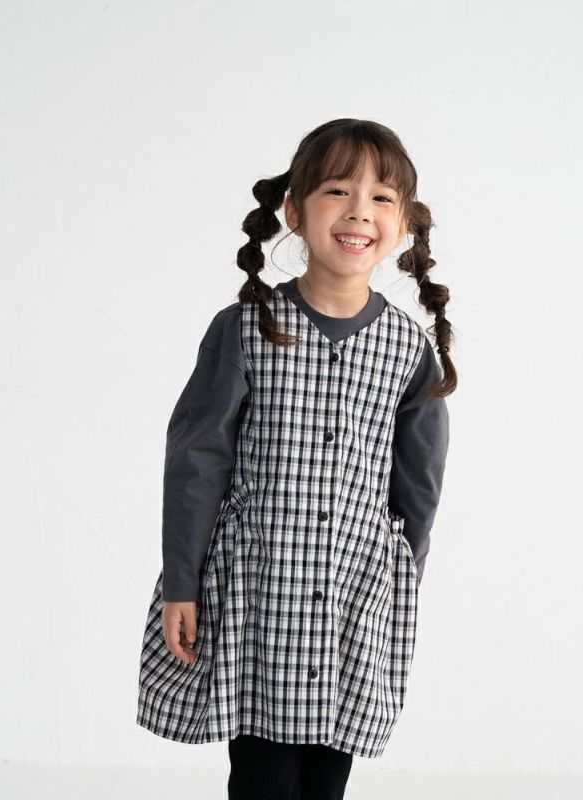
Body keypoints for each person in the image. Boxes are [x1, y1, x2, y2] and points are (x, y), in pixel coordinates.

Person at [136, 118, 455, 799]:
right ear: (295, 211)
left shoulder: (409, 350)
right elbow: (197, 460)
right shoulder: (247, 328)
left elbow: (419, 484)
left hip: (351, 599)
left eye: (381, 198)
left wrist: (403, 586)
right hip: (259, 597)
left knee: (325, 780)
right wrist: (182, 581)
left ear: (403, 224)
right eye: (337, 190)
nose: (358, 212)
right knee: (264, 776)